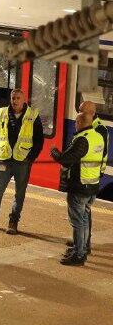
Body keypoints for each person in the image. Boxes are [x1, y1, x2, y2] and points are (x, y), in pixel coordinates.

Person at [0, 89, 44, 235]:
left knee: (19, 194)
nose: (15, 101)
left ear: (24, 99)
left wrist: (31, 157)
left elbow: (39, 140)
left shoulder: (33, 115)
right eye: (13, 98)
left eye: (18, 98)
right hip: (3, 159)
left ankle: (13, 222)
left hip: (22, 161)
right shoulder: (2, 112)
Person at [50, 112, 104, 266]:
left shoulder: (82, 139)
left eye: (76, 122)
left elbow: (66, 159)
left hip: (80, 187)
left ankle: (79, 254)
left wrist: (55, 153)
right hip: (92, 186)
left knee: (77, 222)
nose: (74, 124)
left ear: (80, 122)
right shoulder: (98, 136)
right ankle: (82, 249)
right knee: (85, 219)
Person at [64, 101, 107, 258]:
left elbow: (101, 155)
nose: (79, 115)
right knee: (83, 217)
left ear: (90, 113)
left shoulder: (97, 131)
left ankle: (81, 249)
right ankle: (81, 245)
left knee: (81, 219)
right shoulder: (95, 131)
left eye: (82, 112)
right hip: (91, 181)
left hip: (85, 181)